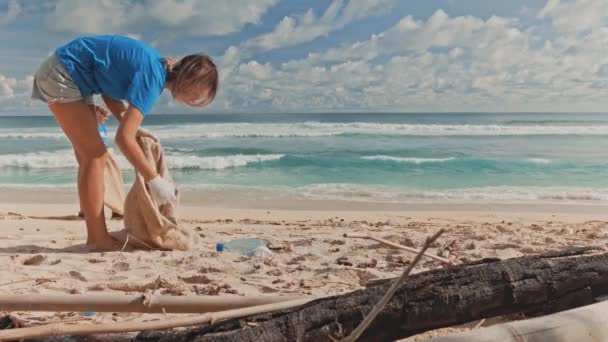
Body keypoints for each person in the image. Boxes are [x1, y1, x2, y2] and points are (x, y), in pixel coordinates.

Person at [31, 35, 219, 251]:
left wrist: (131, 125)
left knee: (89, 156)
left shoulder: (153, 67)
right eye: (195, 95)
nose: (193, 101)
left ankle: (97, 235)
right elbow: (123, 138)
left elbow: (110, 93)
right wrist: (154, 180)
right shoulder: (153, 79)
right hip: (64, 74)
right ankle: (97, 239)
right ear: (188, 81)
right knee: (94, 155)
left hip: (70, 73)